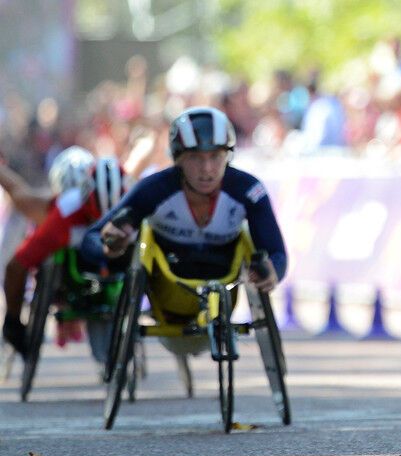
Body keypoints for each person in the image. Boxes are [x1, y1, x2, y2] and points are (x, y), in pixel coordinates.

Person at [80, 106, 287, 389]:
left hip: (222, 285)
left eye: (215, 156)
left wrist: (271, 272)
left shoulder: (249, 190)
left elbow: (276, 252)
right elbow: (91, 240)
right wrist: (111, 244)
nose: (207, 169)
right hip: (168, 292)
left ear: (228, 155)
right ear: (178, 159)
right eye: (195, 158)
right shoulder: (154, 188)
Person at [1, 146, 125, 366]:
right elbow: (17, 265)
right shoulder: (62, 214)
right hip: (69, 266)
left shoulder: (124, 193)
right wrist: (13, 321)